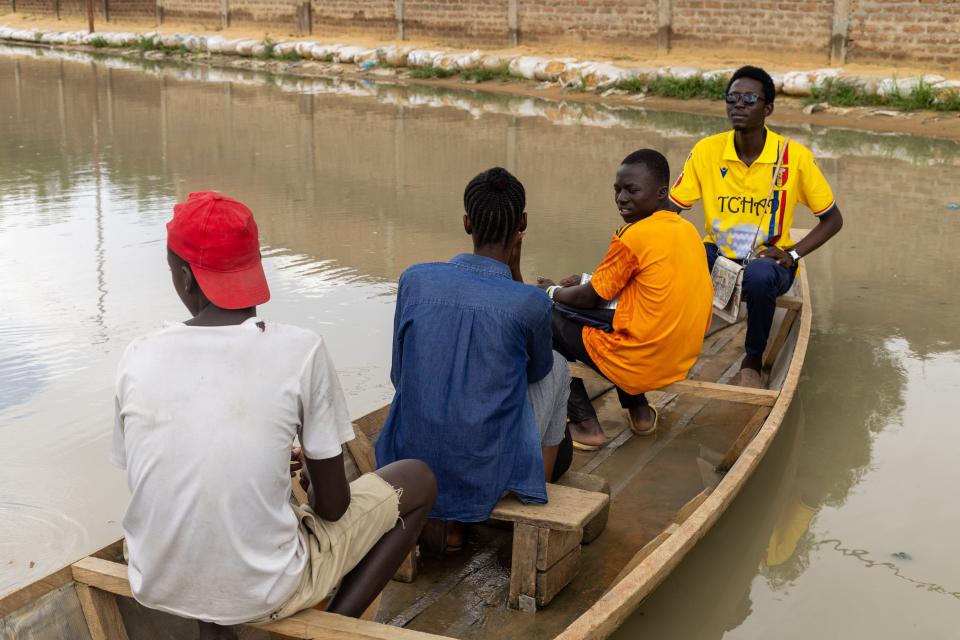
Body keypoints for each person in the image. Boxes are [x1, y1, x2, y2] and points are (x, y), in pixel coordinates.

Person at [111, 192, 436, 640]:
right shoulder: (300, 350)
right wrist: (303, 485)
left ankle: (217, 633)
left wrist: (264, 464)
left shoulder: (137, 355)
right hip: (265, 591)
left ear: (185, 279)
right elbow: (334, 508)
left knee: (213, 513)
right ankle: (332, 626)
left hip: (154, 578)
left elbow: (166, 469)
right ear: (253, 266)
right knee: (417, 478)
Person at [375, 167, 572, 550]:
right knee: (558, 366)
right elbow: (536, 372)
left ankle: (449, 521)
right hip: (483, 462)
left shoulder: (414, 279)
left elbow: (400, 377)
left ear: (467, 223)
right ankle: (532, 502)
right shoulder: (530, 302)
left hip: (408, 455)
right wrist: (515, 266)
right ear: (523, 225)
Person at [668, 65, 843, 387]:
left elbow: (832, 219)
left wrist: (792, 253)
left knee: (760, 275)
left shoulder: (794, 158)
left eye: (749, 99)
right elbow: (672, 210)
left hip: (766, 261)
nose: (739, 105)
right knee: (680, 258)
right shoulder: (708, 151)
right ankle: (672, 346)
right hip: (718, 254)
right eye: (732, 98)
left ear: (768, 108)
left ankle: (752, 358)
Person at [537, 150, 713, 449]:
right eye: (617, 190)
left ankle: (586, 426)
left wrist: (551, 292)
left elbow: (591, 297)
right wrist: (583, 282)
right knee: (618, 317)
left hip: (643, 360)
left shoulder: (633, 236)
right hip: (681, 355)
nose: (621, 198)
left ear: (661, 193)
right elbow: (629, 285)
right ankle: (641, 415)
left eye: (631, 190)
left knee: (543, 317)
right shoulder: (686, 229)